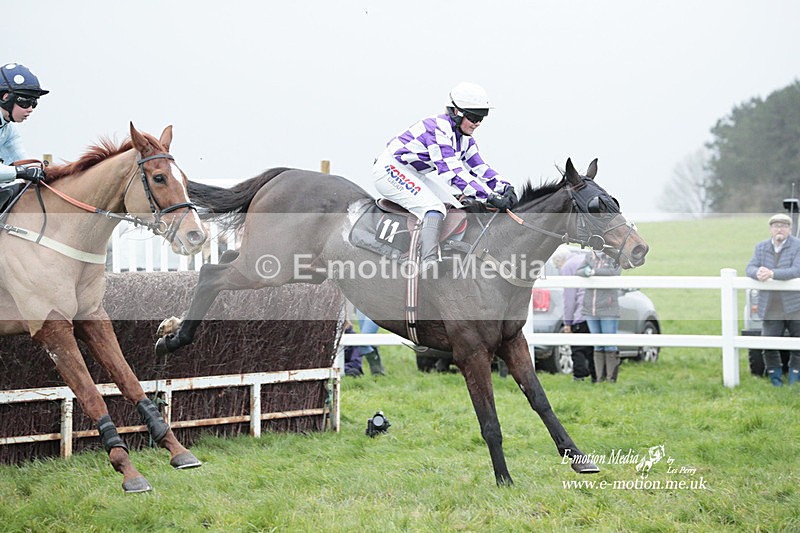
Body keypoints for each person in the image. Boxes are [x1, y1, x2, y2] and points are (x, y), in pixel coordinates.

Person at [372, 82, 517, 272]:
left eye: (482, 117)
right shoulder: (438, 129)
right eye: (474, 116)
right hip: (389, 169)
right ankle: (427, 260)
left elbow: (479, 167)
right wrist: (488, 197)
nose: (478, 123)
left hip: (413, 173)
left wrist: (505, 188)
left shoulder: (465, 139)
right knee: (434, 208)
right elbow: (452, 173)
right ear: (456, 112)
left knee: (456, 209)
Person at [745, 213, 800, 386]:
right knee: (768, 344)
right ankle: (775, 379)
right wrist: (758, 272)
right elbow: (750, 267)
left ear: (789, 229)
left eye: (783, 226)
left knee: (797, 344)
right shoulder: (760, 247)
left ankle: (794, 379)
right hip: (770, 305)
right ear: (770, 229)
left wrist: (772, 274)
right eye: (776, 226)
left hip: (794, 305)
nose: (779, 229)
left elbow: (796, 270)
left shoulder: (798, 246)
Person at [0, 63, 49, 185]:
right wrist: (20, 172)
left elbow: (23, 161)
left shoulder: (8, 129)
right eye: (26, 102)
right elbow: (22, 170)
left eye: (34, 103)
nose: (30, 109)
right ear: (6, 98)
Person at [553, 248, 596, 382]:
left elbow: (569, 298)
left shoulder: (567, 267)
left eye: (556, 266)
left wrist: (568, 322)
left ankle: (579, 375)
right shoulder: (582, 258)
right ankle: (596, 375)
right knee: (593, 347)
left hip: (580, 312)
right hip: (595, 310)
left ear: (560, 260)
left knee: (578, 347)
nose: (558, 269)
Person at [579, 251, 622, 383]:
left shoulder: (615, 257)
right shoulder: (589, 256)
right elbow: (579, 271)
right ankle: (599, 379)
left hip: (608, 308)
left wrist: (594, 272)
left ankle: (611, 379)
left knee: (609, 345)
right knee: (597, 345)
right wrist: (586, 271)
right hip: (590, 309)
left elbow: (614, 272)